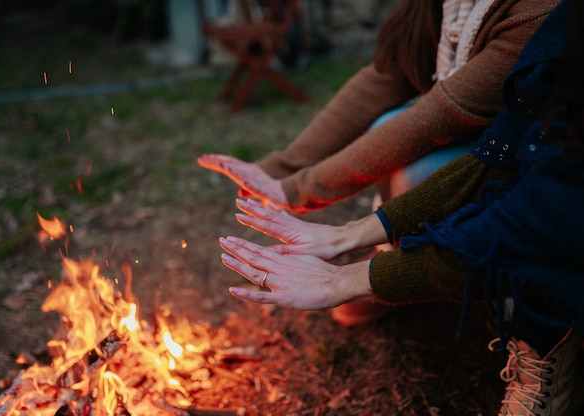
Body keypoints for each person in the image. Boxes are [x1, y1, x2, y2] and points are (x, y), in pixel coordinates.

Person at [217, 0, 584, 414]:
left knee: (524, 233)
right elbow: (494, 155)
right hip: (541, 168)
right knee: (401, 137)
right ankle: (397, 260)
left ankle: (548, 341)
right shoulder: (543, 26)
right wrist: (346, 231)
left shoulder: (544, 13)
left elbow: (532, 221)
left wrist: (348, 279)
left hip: (562, 200)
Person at [199, 0, 559, 214]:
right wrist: (281, 169)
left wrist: (299, 189)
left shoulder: (540, 9)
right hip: (485, 138)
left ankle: (418, 275)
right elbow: (387, 75)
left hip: (543, 157)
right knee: (388, 124)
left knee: (419, 172)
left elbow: (442, 114)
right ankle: (390, 260)